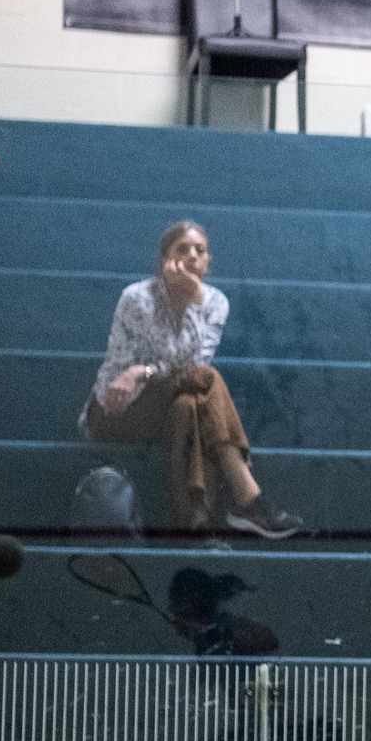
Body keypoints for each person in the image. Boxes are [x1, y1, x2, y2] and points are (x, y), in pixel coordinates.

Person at [80, 221, 302, 539]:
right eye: (181, 249)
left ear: (208, 262)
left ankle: (196, 524)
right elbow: (145, 376)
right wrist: (141, 371)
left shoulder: (214, 302)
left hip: (171, 403)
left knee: (189, 403)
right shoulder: (137, 298)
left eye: (200, 250)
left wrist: (188, 305)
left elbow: (192, 368)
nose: (192, 256)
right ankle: (249, 499)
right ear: (164, 261)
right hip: (116, 411)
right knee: (205, 381)